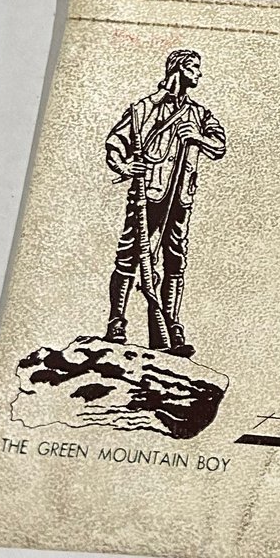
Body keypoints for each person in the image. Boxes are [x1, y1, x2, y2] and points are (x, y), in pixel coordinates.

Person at [104, 48, 226, 357]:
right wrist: (125, 167)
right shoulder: (144, 109)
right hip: (147, 197)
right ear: (179, 69)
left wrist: (197, 137)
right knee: (129, 256)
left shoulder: (200, 115)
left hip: (180, 199)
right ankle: (116, 323)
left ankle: (171, 327)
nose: (199, 73)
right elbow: (115, 144)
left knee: (174, 261)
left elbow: (219, 146)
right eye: (193, 67)